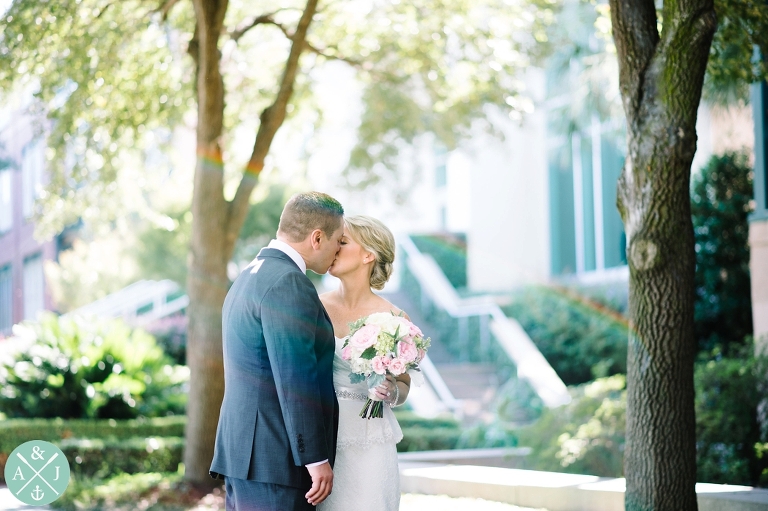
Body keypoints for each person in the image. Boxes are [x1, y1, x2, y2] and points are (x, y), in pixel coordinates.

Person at [210, 192, 344, 511]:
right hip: (275, 463)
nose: (339, 249)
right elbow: (296, 376)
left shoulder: (249, 276)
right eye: (338, 240)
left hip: (245, 458)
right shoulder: (287, 282)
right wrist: (315, 457)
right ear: (317, 237)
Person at [318, 215, 411, 511]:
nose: (332, 247)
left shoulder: (395, 319)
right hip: (323, 437)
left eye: (342, 242)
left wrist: (392, 391)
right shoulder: (315, 306)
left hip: (372, 441)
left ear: (368, 255)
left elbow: (405, 385)